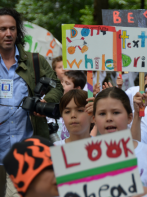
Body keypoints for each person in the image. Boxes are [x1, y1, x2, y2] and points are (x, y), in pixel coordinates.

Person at [0, 8, 63, 196]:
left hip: (26, 153)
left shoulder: (36, 61)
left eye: (12, 28)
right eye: (2, 29)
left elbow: (57, 87)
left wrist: (45, 101)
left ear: (18, 31)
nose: (8, 33)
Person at [93, 87, 147, 192]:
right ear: (94, 119)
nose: (109, 118)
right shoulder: (85, 158)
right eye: (102, 113)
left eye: (116, 112)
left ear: (129, 117)